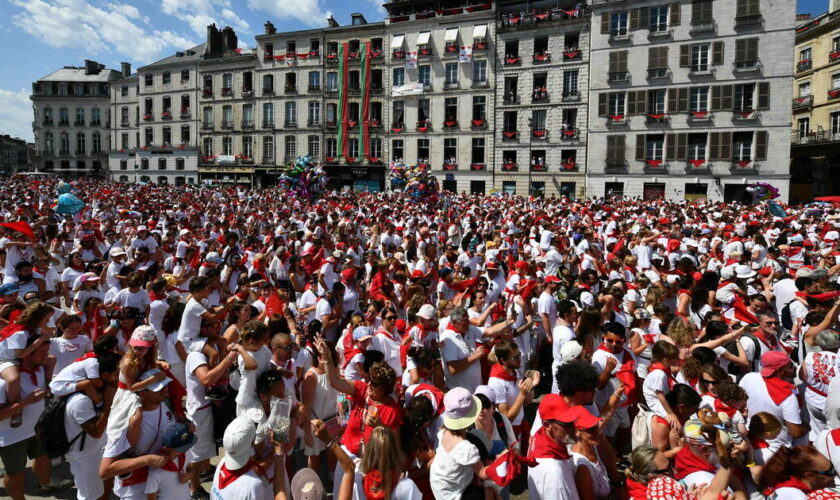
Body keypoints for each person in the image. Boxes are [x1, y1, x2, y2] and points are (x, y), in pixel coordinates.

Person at [63, 352, 120, 500]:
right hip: (84, 458)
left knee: (99, 492)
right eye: (115, 374)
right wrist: (109, 405)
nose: (117, 378)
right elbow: (96, 432)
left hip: (96, 451)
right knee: (89, 496)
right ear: (105, 374)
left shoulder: (97, 392)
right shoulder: (79, 401)